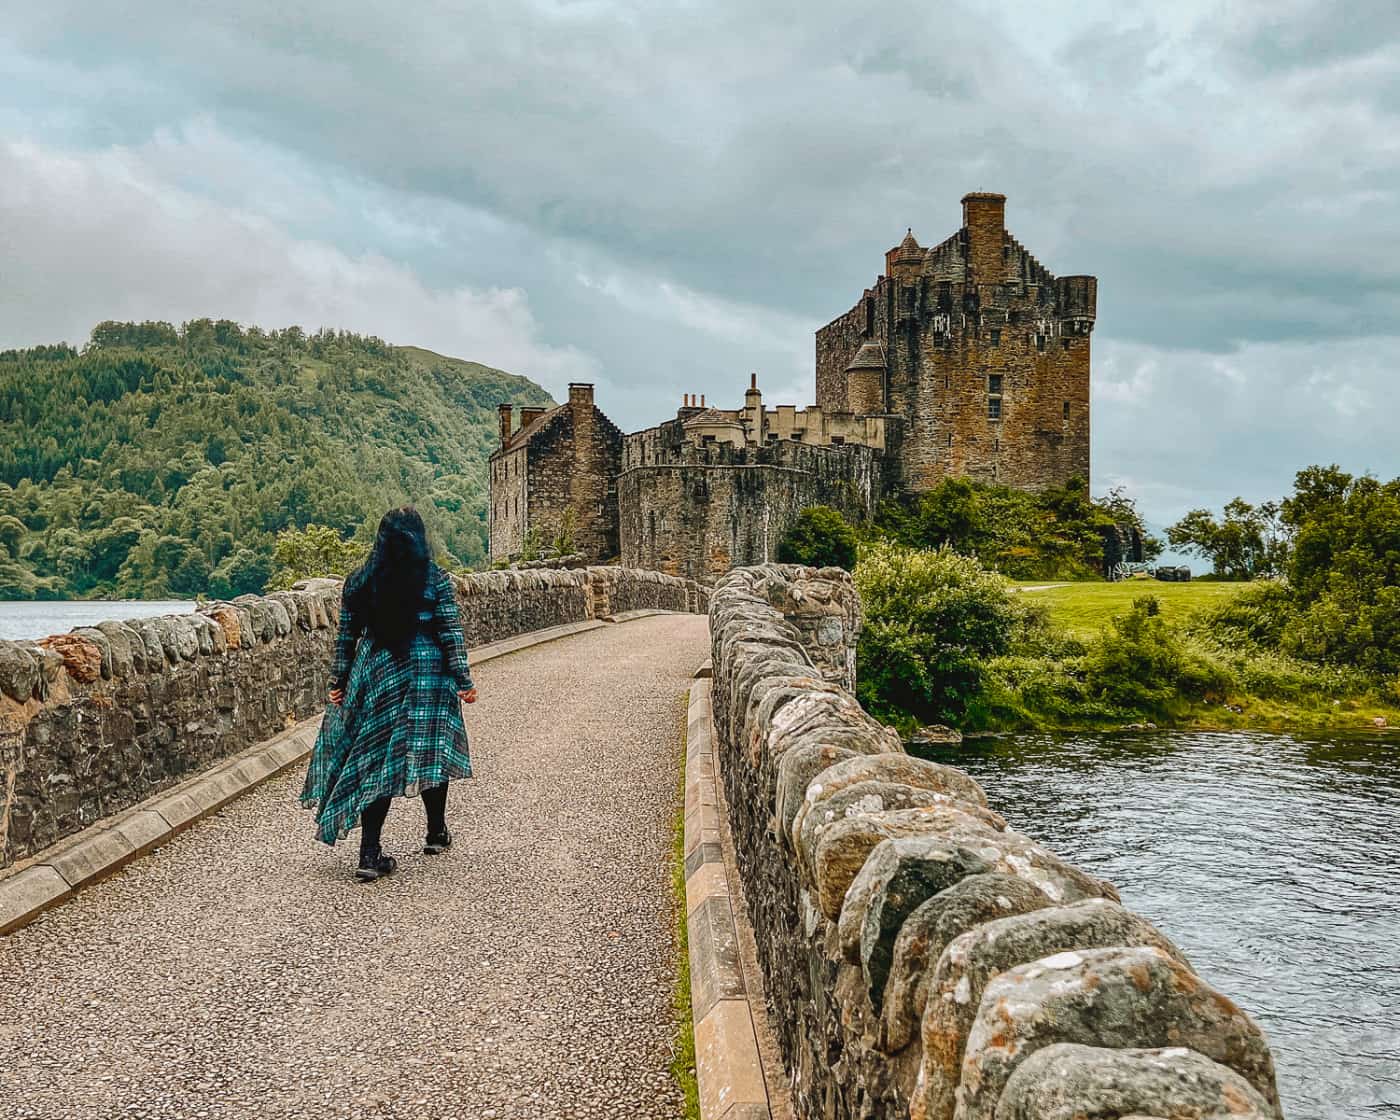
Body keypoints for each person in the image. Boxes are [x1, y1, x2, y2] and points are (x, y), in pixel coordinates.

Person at [300, 506, 477, 881]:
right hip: (428, 674)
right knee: (433, 748)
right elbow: (449, 632)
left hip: (377, 673)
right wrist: (463, 680)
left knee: (374, 757)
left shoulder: (360, 581)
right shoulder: (435, 579)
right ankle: (435, 833)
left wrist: (339, 681)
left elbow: (346, 637)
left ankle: (370, 853)